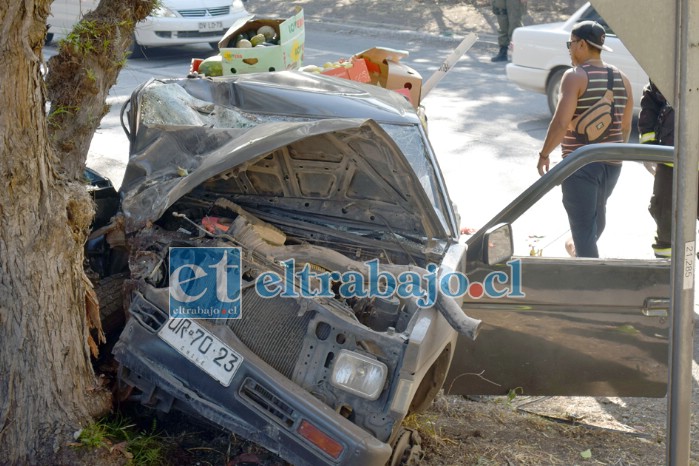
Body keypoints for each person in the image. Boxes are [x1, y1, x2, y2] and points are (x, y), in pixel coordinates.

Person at [537, 20, 633, 258]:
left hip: (580, 166)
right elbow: (626, 127)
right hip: (612, 167)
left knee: (585, 235)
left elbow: (560, 123)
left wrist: (544, 154)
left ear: (581, 45)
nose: (569, 49)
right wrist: (613, 156)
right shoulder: (623, 79)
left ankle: (590, 288)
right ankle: (573, 249)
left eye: (570, 44)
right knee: (593, 227)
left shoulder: (575, 76)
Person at [638, 81, 699, 258]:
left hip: (672, 160)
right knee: (667, 233)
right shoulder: (669, 60)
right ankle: (666, 282)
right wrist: (649, 148)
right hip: (671, 163)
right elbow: (651, 99)